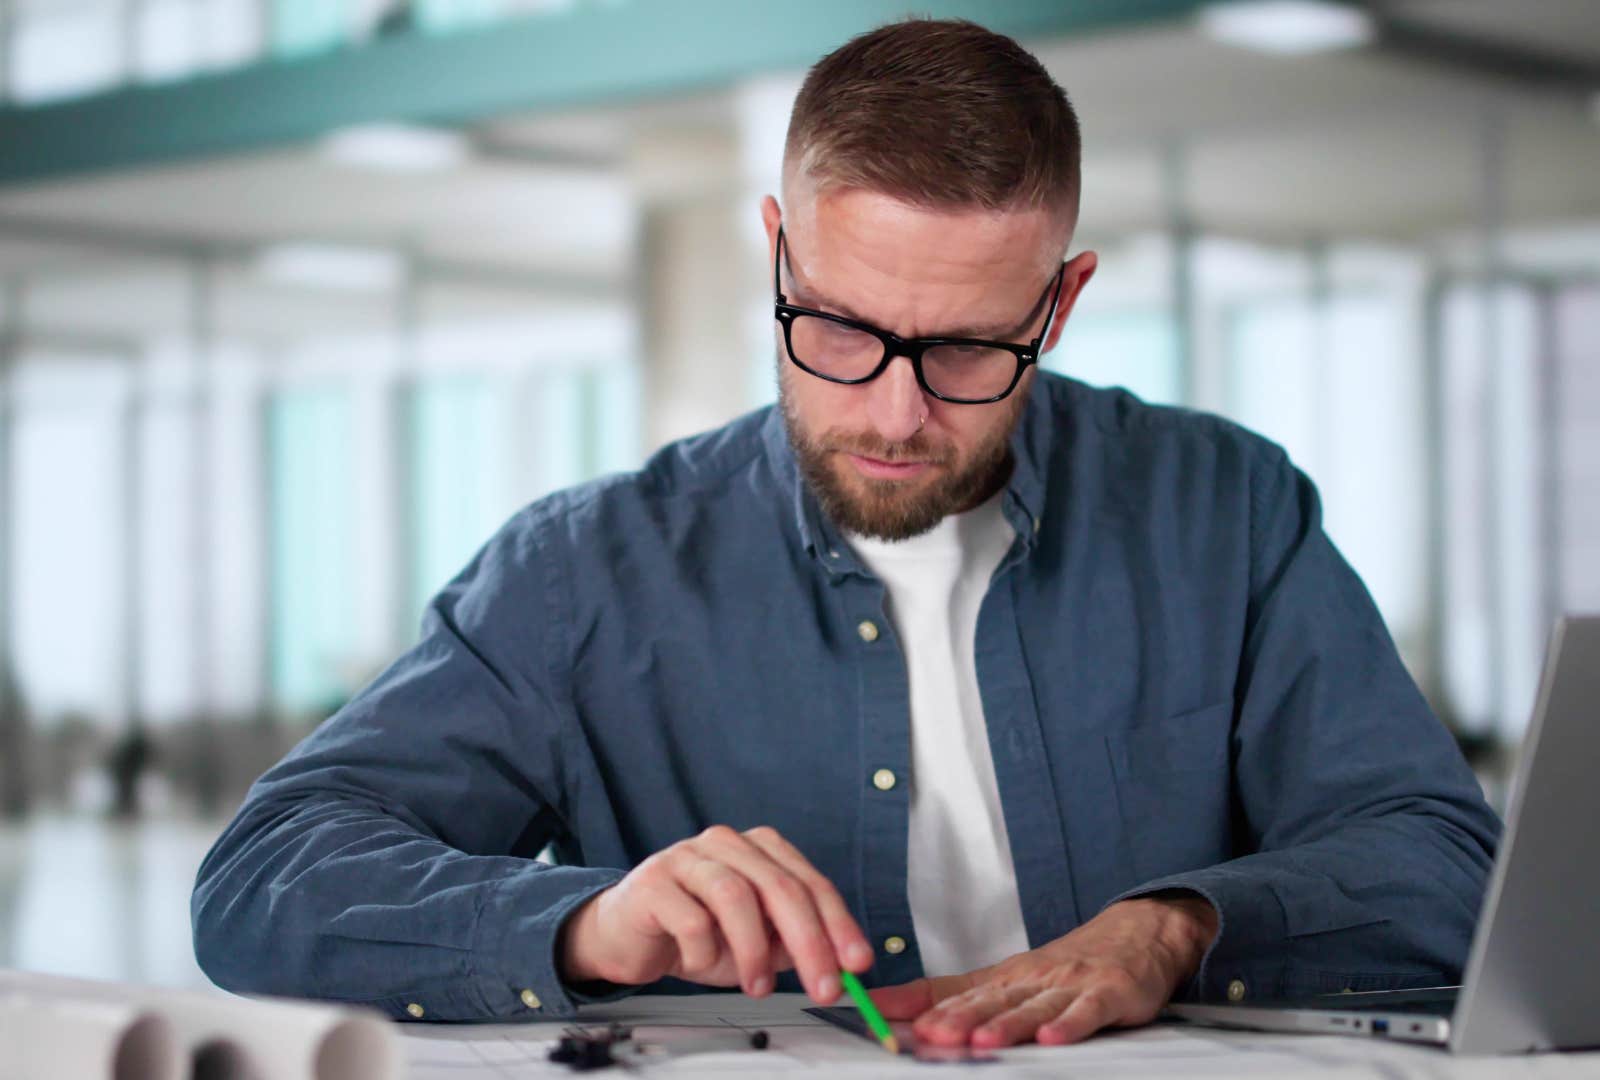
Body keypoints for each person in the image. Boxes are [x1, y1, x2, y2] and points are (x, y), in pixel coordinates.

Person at [192, 18, 1500, 1051]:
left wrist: (1177, 925)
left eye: (966, 349)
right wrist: (585, 920)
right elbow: (262, 882)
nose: (893, 410)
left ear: (1061, 302)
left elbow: (1440, 859)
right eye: (837, 329)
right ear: (775, 249)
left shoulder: (1229, 509)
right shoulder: (580, 572)